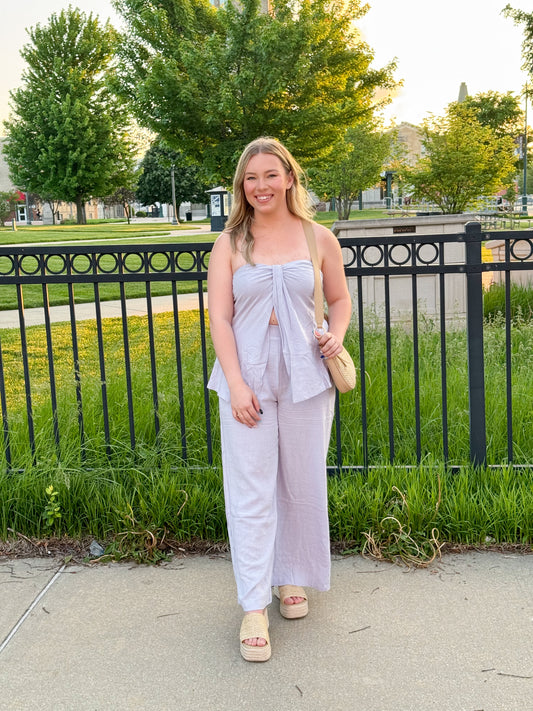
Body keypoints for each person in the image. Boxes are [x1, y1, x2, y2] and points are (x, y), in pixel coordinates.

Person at [207, 137, 352, 662]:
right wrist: (237, 383)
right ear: (241, 186)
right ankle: (252, 604)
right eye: (251, 178)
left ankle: (291, 576)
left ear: (290, 178)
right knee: (251, 489)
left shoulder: (319, 239)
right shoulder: (230, 243)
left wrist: (337, 333)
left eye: (271, 175)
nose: (261, 186)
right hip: (246, 378)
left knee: (301, 481)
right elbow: (219, 318)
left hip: (305, 376)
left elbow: (338, 299)